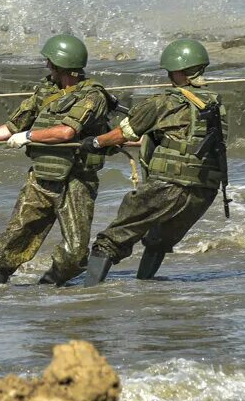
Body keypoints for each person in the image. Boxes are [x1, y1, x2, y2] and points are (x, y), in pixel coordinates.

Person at [0, 34, 114, 287]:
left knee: (75, 254)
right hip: (41, 178)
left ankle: (46, 288)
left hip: (76, 181)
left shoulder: (93, 96)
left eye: (50, 63)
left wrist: (29, 136)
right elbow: (13, 126)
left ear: (61, 65)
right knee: (12, 242)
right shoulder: (45, 90)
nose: (47, 67)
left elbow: (66, 132)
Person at [80, 39, 228, 286]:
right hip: (205, 189)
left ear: (177, 71)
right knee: (159, 240)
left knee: (111, 240)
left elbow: (123, 133)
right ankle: (146, 292)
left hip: (168, 185)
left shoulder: (164, 101)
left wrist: (94, 143)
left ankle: (87, 297)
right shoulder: (215, 104)